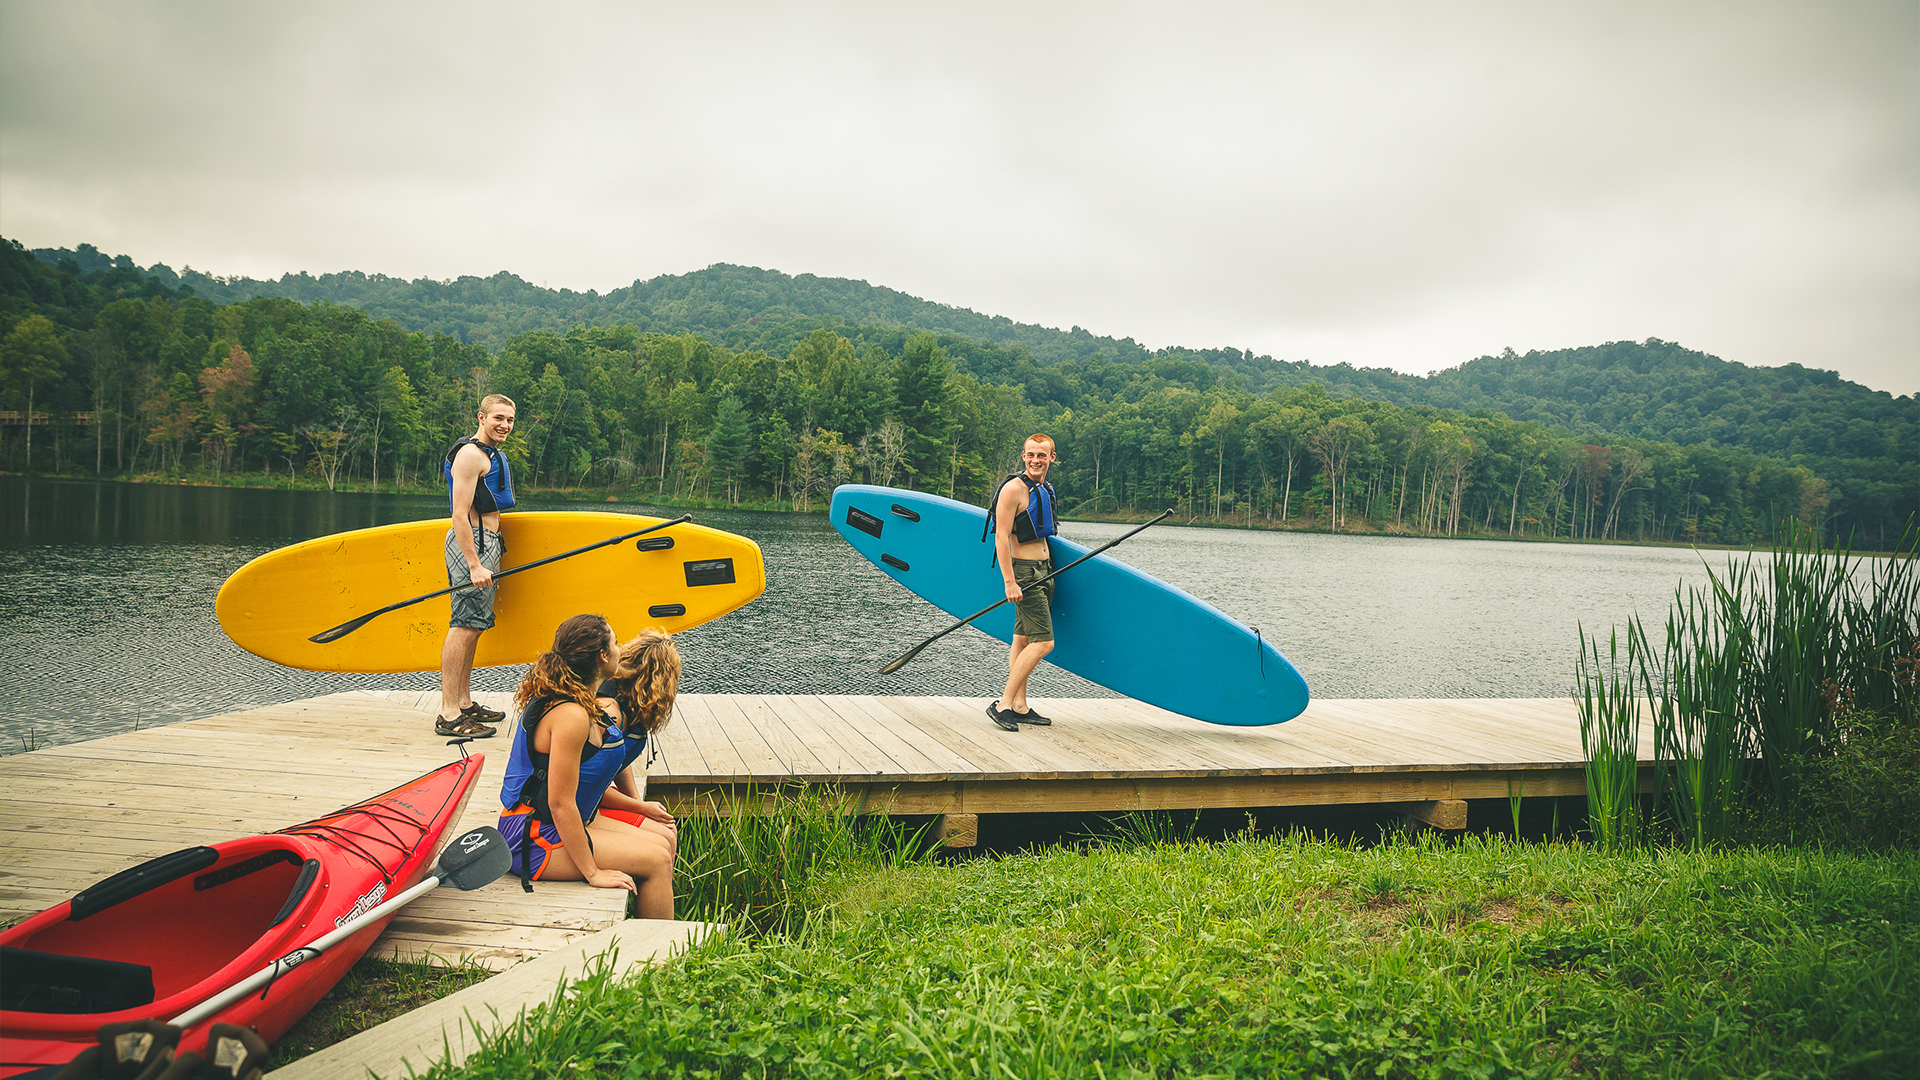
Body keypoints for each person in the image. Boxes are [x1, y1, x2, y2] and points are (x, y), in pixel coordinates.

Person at [496, 614, 675, 918]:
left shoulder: (574, 700)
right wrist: (593, 872)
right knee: (656, 860)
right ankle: (658, 961)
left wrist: (638, 806)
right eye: (616, 643)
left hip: (548, 823)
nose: (621, 650)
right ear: (603, 656)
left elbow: (575, 787)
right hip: (532, 837)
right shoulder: (572, 716)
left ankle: (648, 918)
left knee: (661, 840)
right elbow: (560, 802)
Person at [436, 394, 517, 738]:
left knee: (474, 625)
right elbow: (459, 514)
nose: (505, 425)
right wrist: (473, 564)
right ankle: (448, 713)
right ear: (481, 417)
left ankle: (465, 703)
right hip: (472, 547)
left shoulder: (489, 454)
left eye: (510, 420)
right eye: (499, 417)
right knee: (463, 625)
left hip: (486, 546)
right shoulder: (470, 455)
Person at [987, 433, 1060, 732]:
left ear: (1052, 458)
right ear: (1023, 455)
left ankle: (1019, 705)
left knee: (1023, 639)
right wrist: (1009, 582)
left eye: (1042, 455)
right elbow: (1000, 537)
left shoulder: (1044, 488)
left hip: (1045, 571)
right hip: (1025, 575)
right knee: (1044, 642)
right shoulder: (1013, 489)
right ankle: (1003, 704)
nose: (1036, 460)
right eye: (1031, 455)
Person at [591, 629, 681, 865]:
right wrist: (639, 807)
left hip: (590, 804)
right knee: (662, 840)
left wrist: (636, 804)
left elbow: (617, 760)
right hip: (583, 809)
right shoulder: (609, 712)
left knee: (668, 832)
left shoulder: (628, 704)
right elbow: (584, 785)